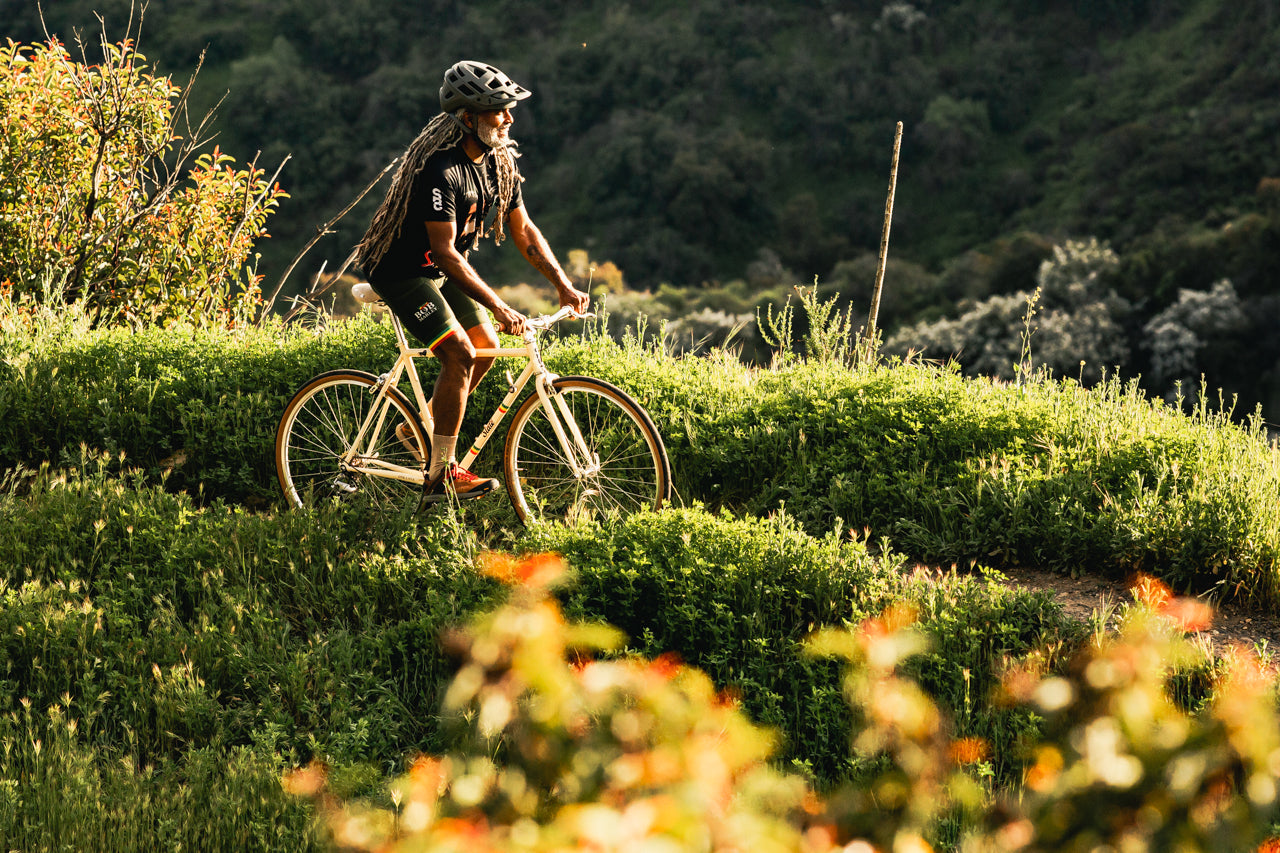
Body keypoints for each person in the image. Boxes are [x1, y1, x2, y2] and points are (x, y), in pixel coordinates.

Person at [355, 60, 589, 504]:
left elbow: (524, 231)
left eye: (508, 109)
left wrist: (563, 284)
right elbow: (444, 252)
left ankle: (418, 430)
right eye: (499, 110)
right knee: (459, 353)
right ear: (468, 118)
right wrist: (500, 305)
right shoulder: (439, 170)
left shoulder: (496, 165)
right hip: (400, 271)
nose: (509, 118)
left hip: (440, 270)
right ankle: (440, 477)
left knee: (484, 349)